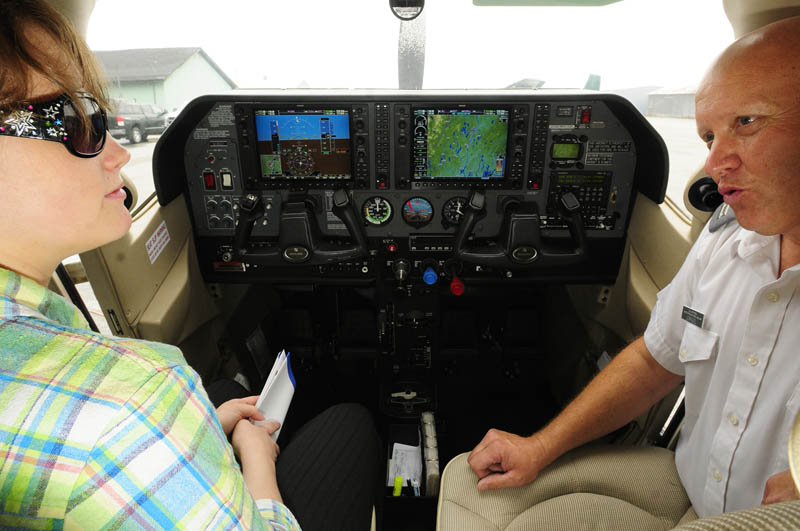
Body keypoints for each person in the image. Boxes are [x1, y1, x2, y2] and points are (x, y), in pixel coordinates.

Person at [0, 1, 380, 529]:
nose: (115, 153)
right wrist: (255, 459)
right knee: (352, 424)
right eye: (74, 122)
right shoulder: (135, 399)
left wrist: (197, 425)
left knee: (221, 395)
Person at [463, 14, 800, 520]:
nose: (715, 163)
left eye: (746, 123)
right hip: (692, 489)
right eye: (708, 137)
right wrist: (538, 446)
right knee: (472, 485)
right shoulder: (727, 240)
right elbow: (654, 360)